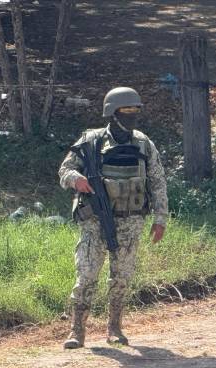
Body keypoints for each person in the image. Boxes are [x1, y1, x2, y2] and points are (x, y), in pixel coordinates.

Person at [58, 87, 168, 349]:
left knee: (121, 277)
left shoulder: (143, 143)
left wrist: (160, 217)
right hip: (95, 220)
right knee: (86, 275)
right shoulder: (91, 141)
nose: (131, 117)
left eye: (135, 111)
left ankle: (115, 328)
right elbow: (65, 169)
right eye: (125, 111)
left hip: (131, 222)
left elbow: (157, 181)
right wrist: (77, 179)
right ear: (112, 113)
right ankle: (77, 330)